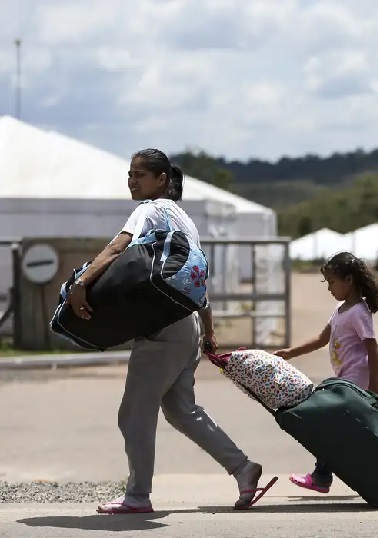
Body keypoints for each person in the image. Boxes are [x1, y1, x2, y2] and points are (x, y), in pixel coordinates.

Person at [66, 148, 274, 514]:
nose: (133, 181)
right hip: (186, 325)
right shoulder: (185, 221)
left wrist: (81, 283)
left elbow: (118, 248)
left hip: (162, 329)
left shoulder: (150, 209)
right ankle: (242, 468)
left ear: (162, 180)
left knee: (134, 413)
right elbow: (194, 280)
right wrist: (207, 330)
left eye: (140, 175)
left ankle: (137, 496)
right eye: (130, 175)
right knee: (181, 411)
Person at [274, 251, 378, 495]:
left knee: (333, 427)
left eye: (332, 282)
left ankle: (322, 476)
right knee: (358, 432)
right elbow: (321, 339)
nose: (329, 288)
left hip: (356, 384)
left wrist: (374, 385)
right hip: (345, 382)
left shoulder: (359, 312)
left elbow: (372, 347)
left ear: (349, 280)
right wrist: (290, 352)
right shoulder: (340, 309)